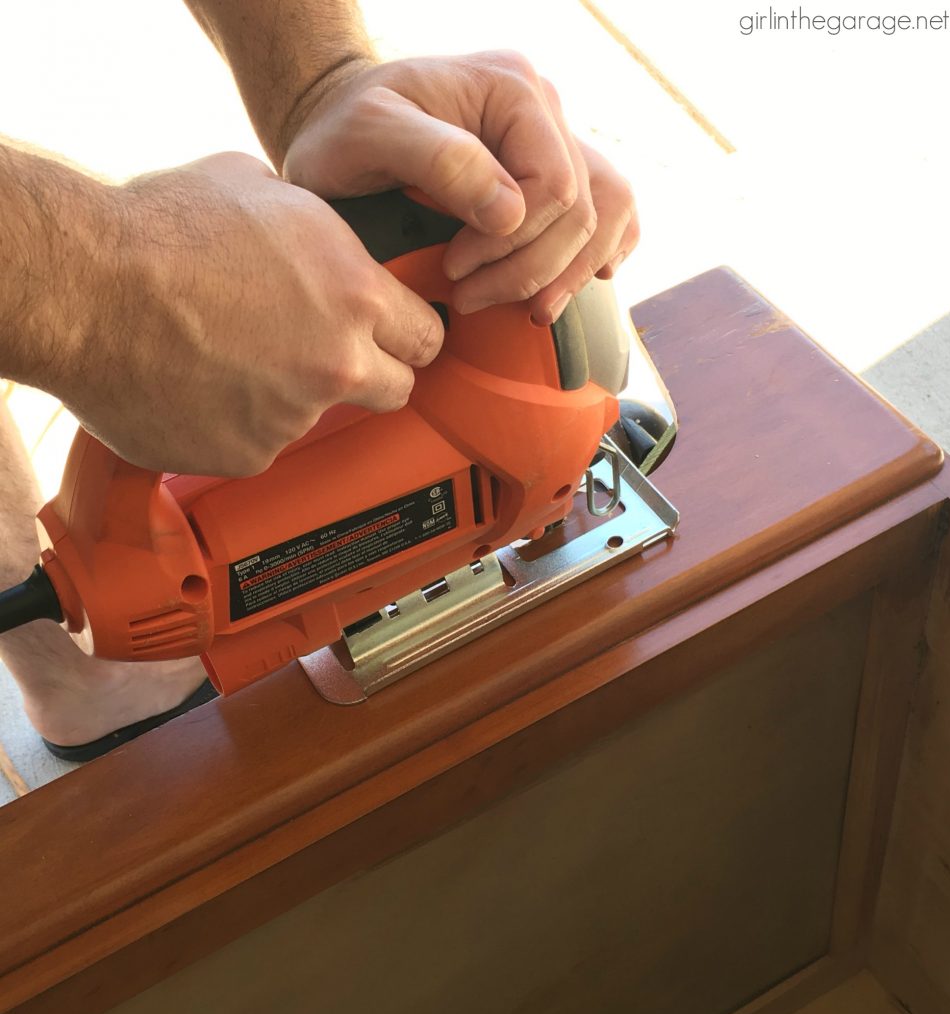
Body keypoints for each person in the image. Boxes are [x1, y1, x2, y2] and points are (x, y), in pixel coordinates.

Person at [0, 0, 638, 759]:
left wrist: (320, 82)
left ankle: (83, 669)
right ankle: (73, 673)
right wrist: (105, 291)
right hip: (140, 586)